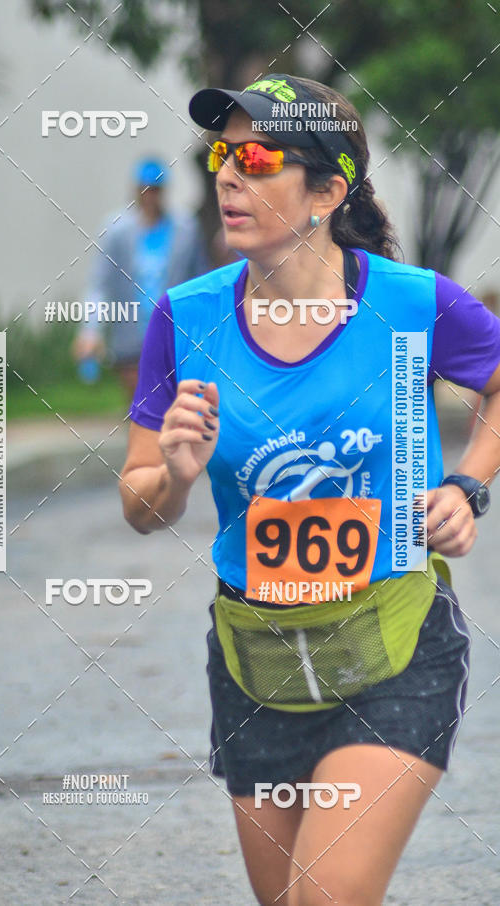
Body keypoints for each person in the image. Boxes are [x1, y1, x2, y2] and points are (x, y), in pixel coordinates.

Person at [118, 73, 500, 906]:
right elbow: (139, 500)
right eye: (222, 154)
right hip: (257, 663)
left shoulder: (414, 304)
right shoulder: (185, 318)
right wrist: (175, 477)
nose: (227, 175)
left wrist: (469, 485)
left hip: (394, 648)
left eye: (255, 157)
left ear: (328, 190)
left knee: (324, 897)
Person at [73, 156, 209, 397]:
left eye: (155, 190)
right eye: (145, 189)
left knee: (170, 405)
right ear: (136, 190)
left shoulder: (185, 229)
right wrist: (90, 331)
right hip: (130, 338)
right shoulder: (116, 230)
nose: (150, 196)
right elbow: (100, 284)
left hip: (172, 336)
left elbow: (199, 279)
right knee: (139, 406)